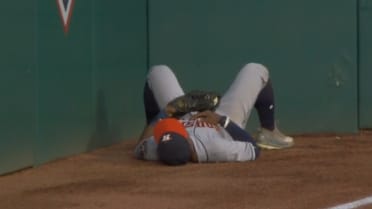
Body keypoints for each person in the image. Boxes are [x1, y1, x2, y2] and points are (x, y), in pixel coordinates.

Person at [134, 63, 294, 165]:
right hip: (224, 125)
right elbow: (252, 147)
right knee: (255, 70)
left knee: (158, 72)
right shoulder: (216, 148)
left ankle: (165, 119)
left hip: (182, 116)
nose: (167, 131)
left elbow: (141, 143)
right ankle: (269, 131)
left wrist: (168, 112)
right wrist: (222, 120)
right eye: (172, 130)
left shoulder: (158, 149)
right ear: (189, 142)